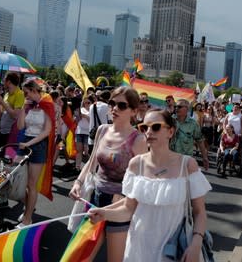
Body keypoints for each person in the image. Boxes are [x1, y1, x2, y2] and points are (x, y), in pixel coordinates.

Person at [87, 109, 212, 262]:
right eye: (144, 128)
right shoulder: (136, 164)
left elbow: (199, 212)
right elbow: (128, 209)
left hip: (174, 250)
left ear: (170, 131)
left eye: (156, 127)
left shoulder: (187, 165)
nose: (149, 131)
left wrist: (196, 244)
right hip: (138, 250)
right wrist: (104, 214)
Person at [70, 87, 147, 262]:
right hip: (95, 199)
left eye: (121, 105)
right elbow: (91, 163)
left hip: (119, 207)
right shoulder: (102, 130)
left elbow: (141, 181)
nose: (114, 108)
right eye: (112, 103)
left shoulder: (138, 140)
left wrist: (124, 195)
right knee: (80, 257)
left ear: (134, 111)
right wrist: (78, 183)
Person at [16, 79, 56, 227]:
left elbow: (47, 131)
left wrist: (29, 144)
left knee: (31, 184)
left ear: (34, 90)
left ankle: (27, 218)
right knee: (20, 182)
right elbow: (21, 126)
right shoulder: (28, 106)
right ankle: (27, 209)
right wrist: (22, 108)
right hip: (25, 142)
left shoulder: (47, 104)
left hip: (38, 145)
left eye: (26, 93)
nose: (25, 95)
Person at [170, 99, 209, 171]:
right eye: (175, 106)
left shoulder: (193, 124)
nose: (176, 108)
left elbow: (200, 141)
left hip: (185, 160)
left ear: (187, 109)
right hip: (169, 158)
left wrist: (205, 157)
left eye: (179, 107)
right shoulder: (170, 121)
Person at [0, 72, 25, 152]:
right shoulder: (6, 94)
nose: (3, 82)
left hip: (12, 134)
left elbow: (15, 115)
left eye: (4, 80)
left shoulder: (20, 94)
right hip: (2, 132)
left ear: (9, 82)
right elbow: (0, 115)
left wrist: (3, 103)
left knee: (8, 160)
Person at [74, 95, 93, 172]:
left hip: (88, 133)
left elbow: (92, 122)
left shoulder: (92, 111)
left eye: (88, 102)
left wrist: (86, 116)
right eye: (85, 103)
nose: (86, 104)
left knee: (87, 151)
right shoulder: (81, 109)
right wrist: (77, 117)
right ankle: (77, 167)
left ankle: (91, 168)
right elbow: (76, 121)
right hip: (79, 132)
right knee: (79, 150)